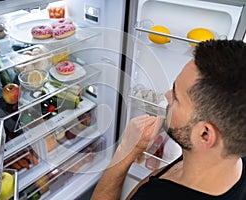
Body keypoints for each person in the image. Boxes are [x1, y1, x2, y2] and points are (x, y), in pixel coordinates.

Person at [91, 39, 246, 199]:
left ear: (204, 135)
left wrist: (126, 151)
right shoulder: (227, 156)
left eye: (176, 97)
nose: (167, 95)